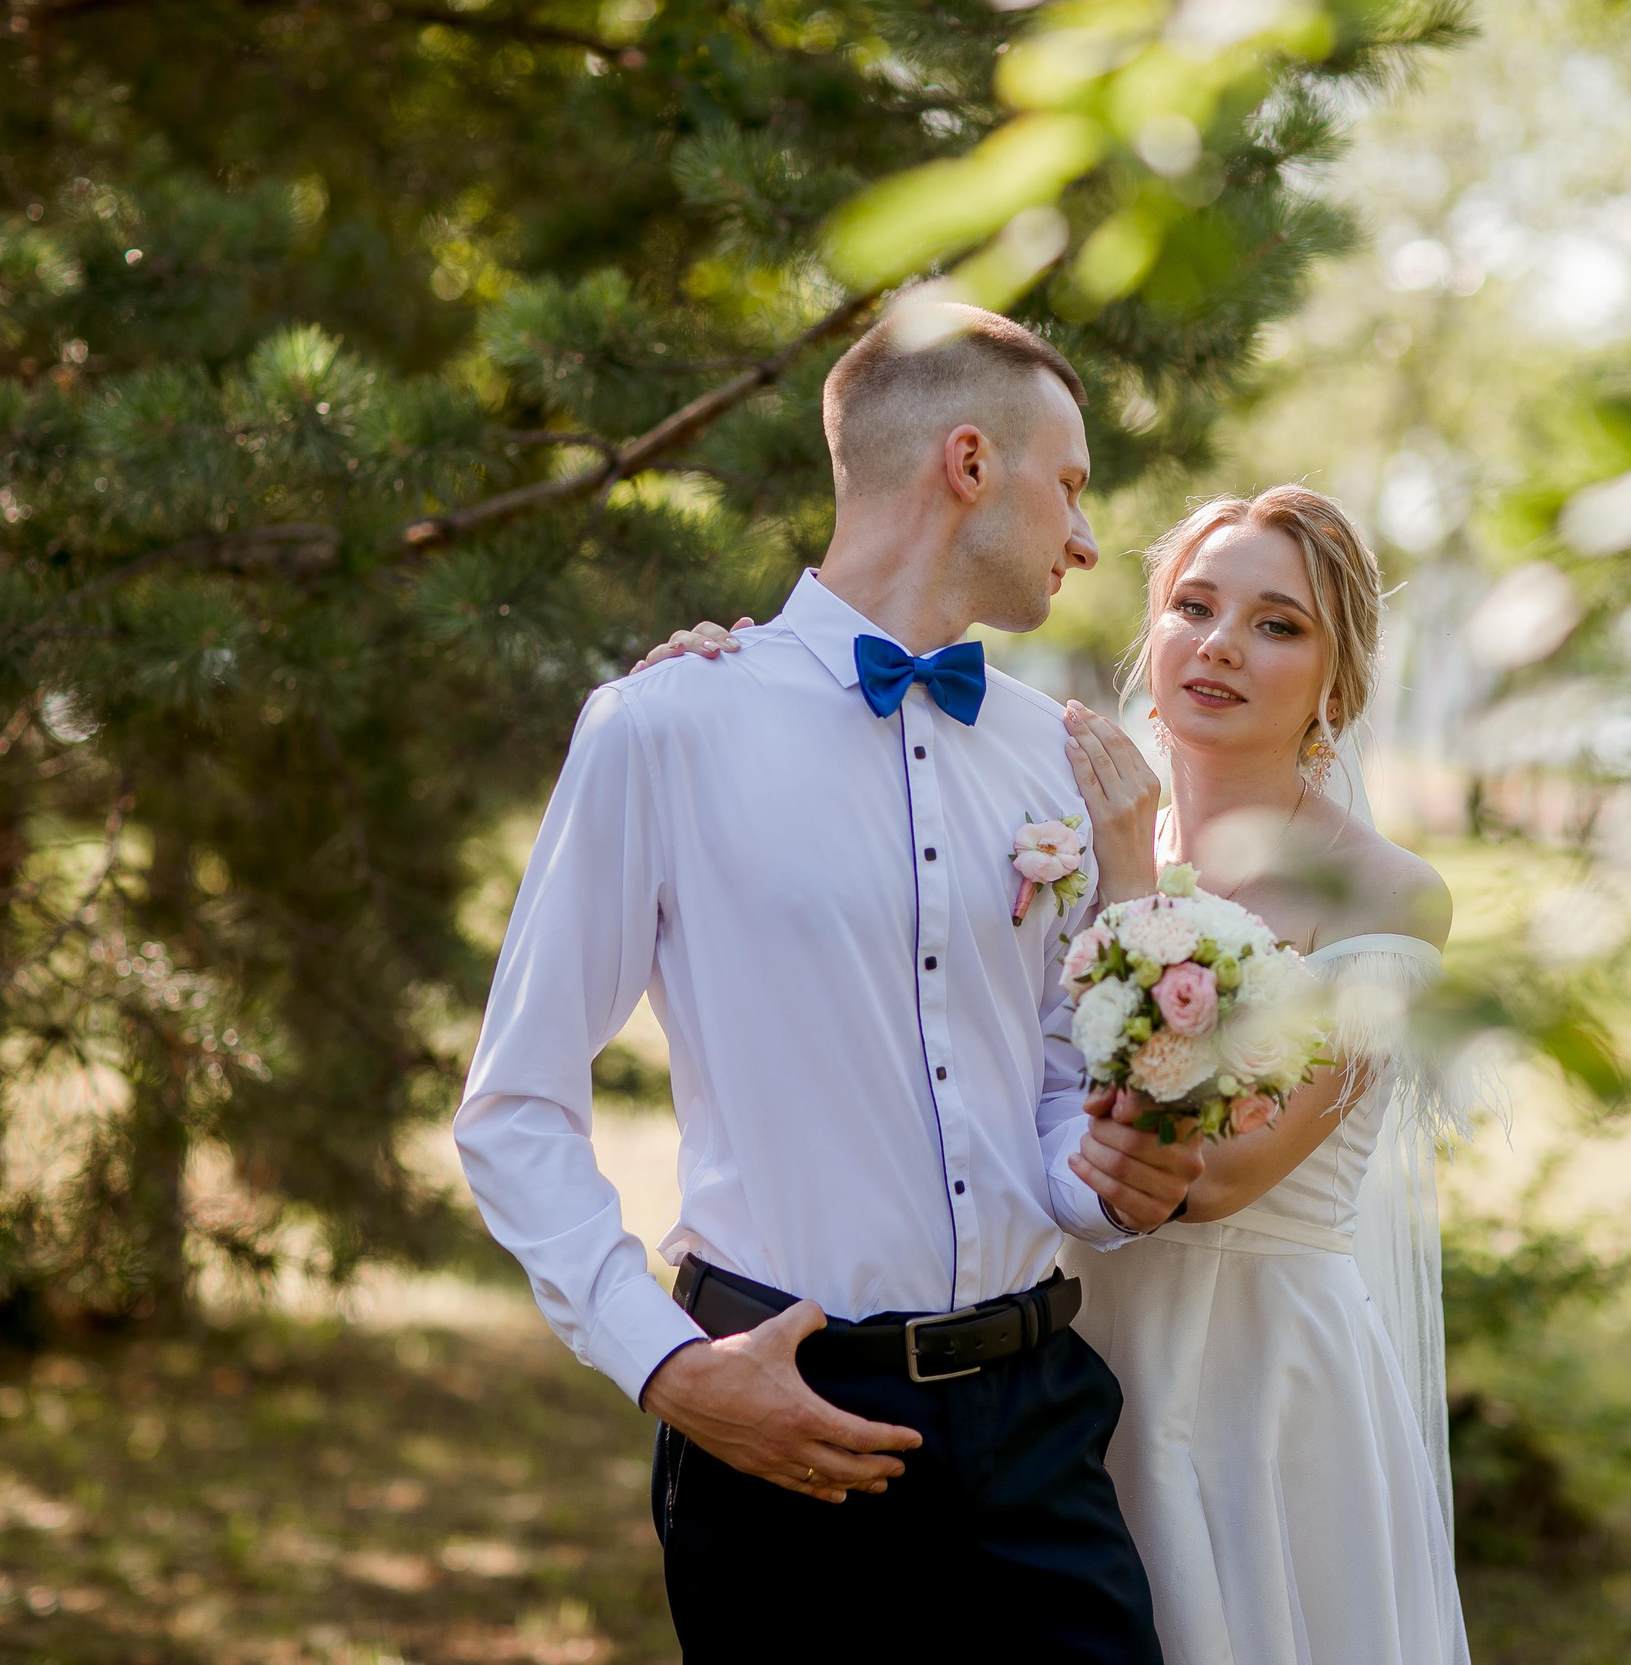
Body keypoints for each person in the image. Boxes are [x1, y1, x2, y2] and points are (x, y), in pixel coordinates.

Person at [454, 304, 1209, 1664]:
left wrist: (1100, 1168)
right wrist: (670, 1366)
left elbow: (1042, 1074)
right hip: (784, 1422)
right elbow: (513, 1103)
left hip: (1040, 1423)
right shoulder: (668, 724)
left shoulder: (1059, 755)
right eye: (1072, 484)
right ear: (968, 462)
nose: (1087, 540)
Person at [649, 484, 1472, 1664]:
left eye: (1278, 624)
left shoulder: (1382, 894)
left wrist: (1132, 873)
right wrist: (724, 685)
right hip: (1043, 1361)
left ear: (1337, 680)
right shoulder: (1047, 800)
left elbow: (1213, 1174)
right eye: (1194, 606)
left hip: (1251, 1372)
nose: (1221, 646)